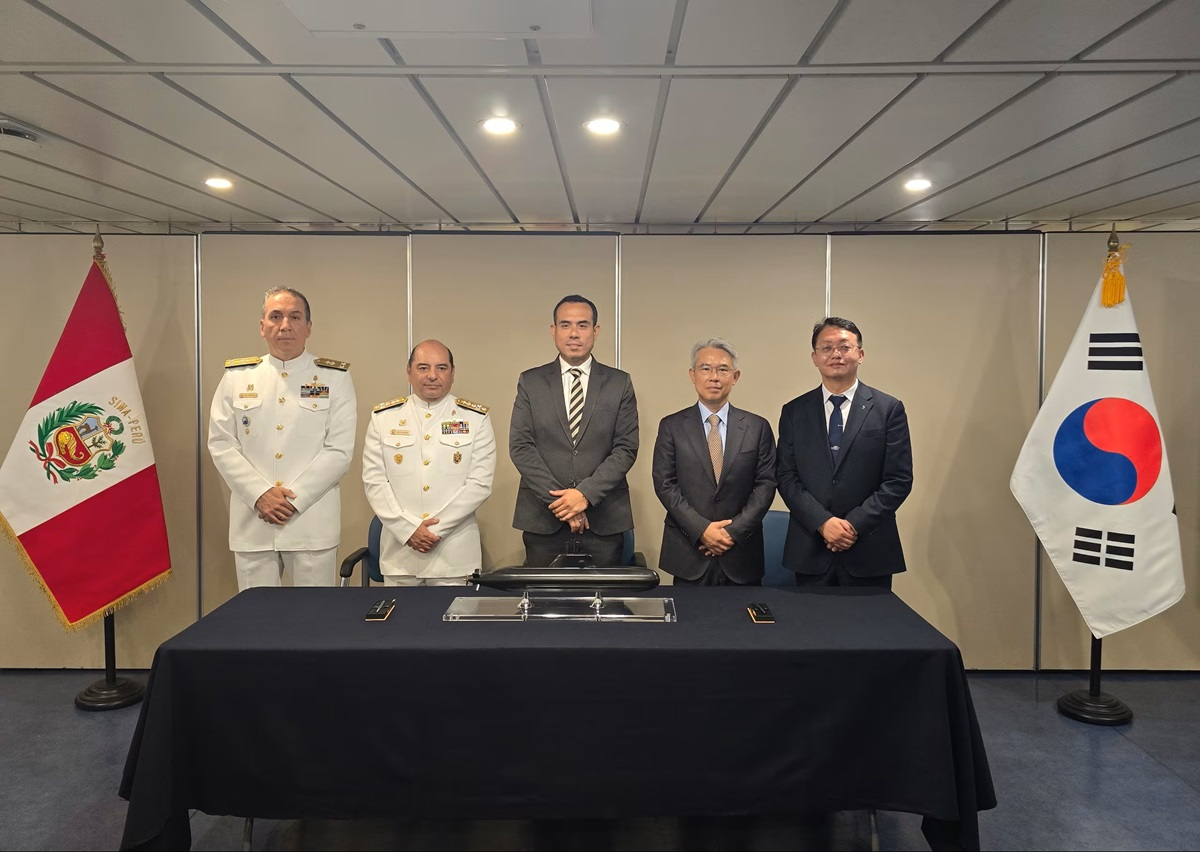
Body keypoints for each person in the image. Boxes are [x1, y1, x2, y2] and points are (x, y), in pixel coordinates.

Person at [208, 286, 357, 590]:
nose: (285, 325)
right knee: (255, 617)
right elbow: (221, 443)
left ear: (308, 327)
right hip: (254, 521)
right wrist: (260, 494)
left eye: (295, 317)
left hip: (311, 522)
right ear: (262, 326)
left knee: (315, 616)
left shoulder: (334, 378)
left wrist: (292, 500)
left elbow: (339, 450)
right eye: (275, 316)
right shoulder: (237, 377)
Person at [776, 317, 912, 589]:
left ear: (860, 354)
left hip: (869, 548)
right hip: (811, 548)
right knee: (810, 619)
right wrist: (823, 522)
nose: (835, 354)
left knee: (869, 619)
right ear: (814, 357)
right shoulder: (794, 411)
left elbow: (898, 480)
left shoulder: (888, 409)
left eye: (844, 347)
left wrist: (853, 525)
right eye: (826, 348)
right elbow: (786, 476)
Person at [509, 294, 638, 568]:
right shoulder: (531, 382)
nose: (574, 333)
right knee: (544, 595)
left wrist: (584, 495)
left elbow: (626, 449)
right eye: (565, 325)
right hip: (544, 519)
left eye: (583, 325)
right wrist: (563, 503)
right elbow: (521, 447)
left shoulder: (619, 383)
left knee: (603, 595)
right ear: (553, 331)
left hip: (604, 520)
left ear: (596, 331)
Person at [361, 339, 496, 586]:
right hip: (400, 555)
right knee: (398, 613)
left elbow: (480, 484)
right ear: (409, 371)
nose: (432, 375)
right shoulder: (384, 418)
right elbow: (375, 482)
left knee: (454, 613)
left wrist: (433, 531)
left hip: (454, 556)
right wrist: (409, 530)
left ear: (453, 373)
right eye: (423, 368)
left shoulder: (475, 419)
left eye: (441, 368)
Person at [651, 338, 776, 585]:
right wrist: (702, 530)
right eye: (705, 368)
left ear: (735, 376)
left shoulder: (757, 427)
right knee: (688, 611)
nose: (714, 377)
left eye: (723, 369)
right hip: (689, 551)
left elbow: (766, 485)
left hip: (741, 552)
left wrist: (732, 532)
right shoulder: (671, 426)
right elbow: (665, 484)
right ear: (692, 375)